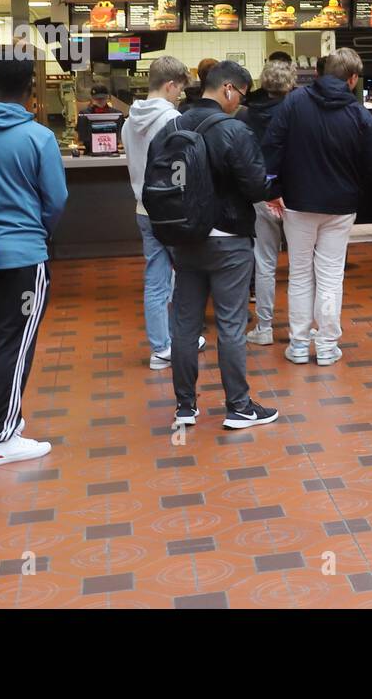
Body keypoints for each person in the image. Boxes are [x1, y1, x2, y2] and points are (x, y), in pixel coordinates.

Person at [155, 60, 279, 430]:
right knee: (230, 324)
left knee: (185, 325)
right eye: (240, 94)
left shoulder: (171, 127)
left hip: (184, 237)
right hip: (228, 240)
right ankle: (238, 407)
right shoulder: (234, 130)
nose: (239, 101)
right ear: (227, 88)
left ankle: (185, 407)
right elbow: (257, 186)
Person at [0, 57, 68, 466]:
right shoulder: (38, 137)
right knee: (14, 345)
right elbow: (56, 200)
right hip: (23, 254)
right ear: (31, 89)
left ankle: (7, 419)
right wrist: (37, 229)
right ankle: (0, 436)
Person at [263, 47, 372, 366]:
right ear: (353, 78)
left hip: (298, 203)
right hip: (341, 206)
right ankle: (328, 346)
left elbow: (271, 145)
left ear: (322, 72)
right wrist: (355, 184)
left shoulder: (294, 102)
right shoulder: (360, 114)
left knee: (301, 274)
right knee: (331, 274)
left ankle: (300, 345)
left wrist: (273, 188)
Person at [121, 56, 205, 369]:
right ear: (170, 85)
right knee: (185, 277)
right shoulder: (172, 120)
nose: (180, 96)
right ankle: (181, 339)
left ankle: (161, 348)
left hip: (144, 209)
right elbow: (182, 168)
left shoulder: (129, 121)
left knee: (156, 280)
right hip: (173, 210)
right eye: (179, 90)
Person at [238, 54, 296, 346]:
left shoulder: (245, 113)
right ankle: (302, 328)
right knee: (301, 264)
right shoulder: (298, 110)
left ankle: (264, 326)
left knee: (264, 262)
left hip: (262, 194)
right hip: (296, 194)